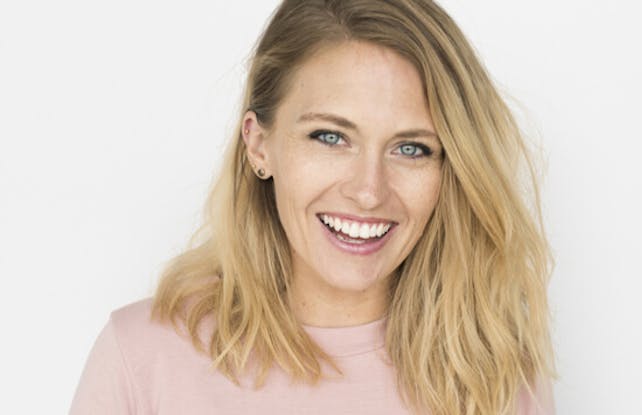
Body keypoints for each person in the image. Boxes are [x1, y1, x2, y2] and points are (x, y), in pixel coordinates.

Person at [69, 0, 557, 413]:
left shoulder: (491, 373)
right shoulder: (142, 359)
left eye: (410, 148)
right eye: (330, 137)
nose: (369, 191)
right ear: (258, 145)